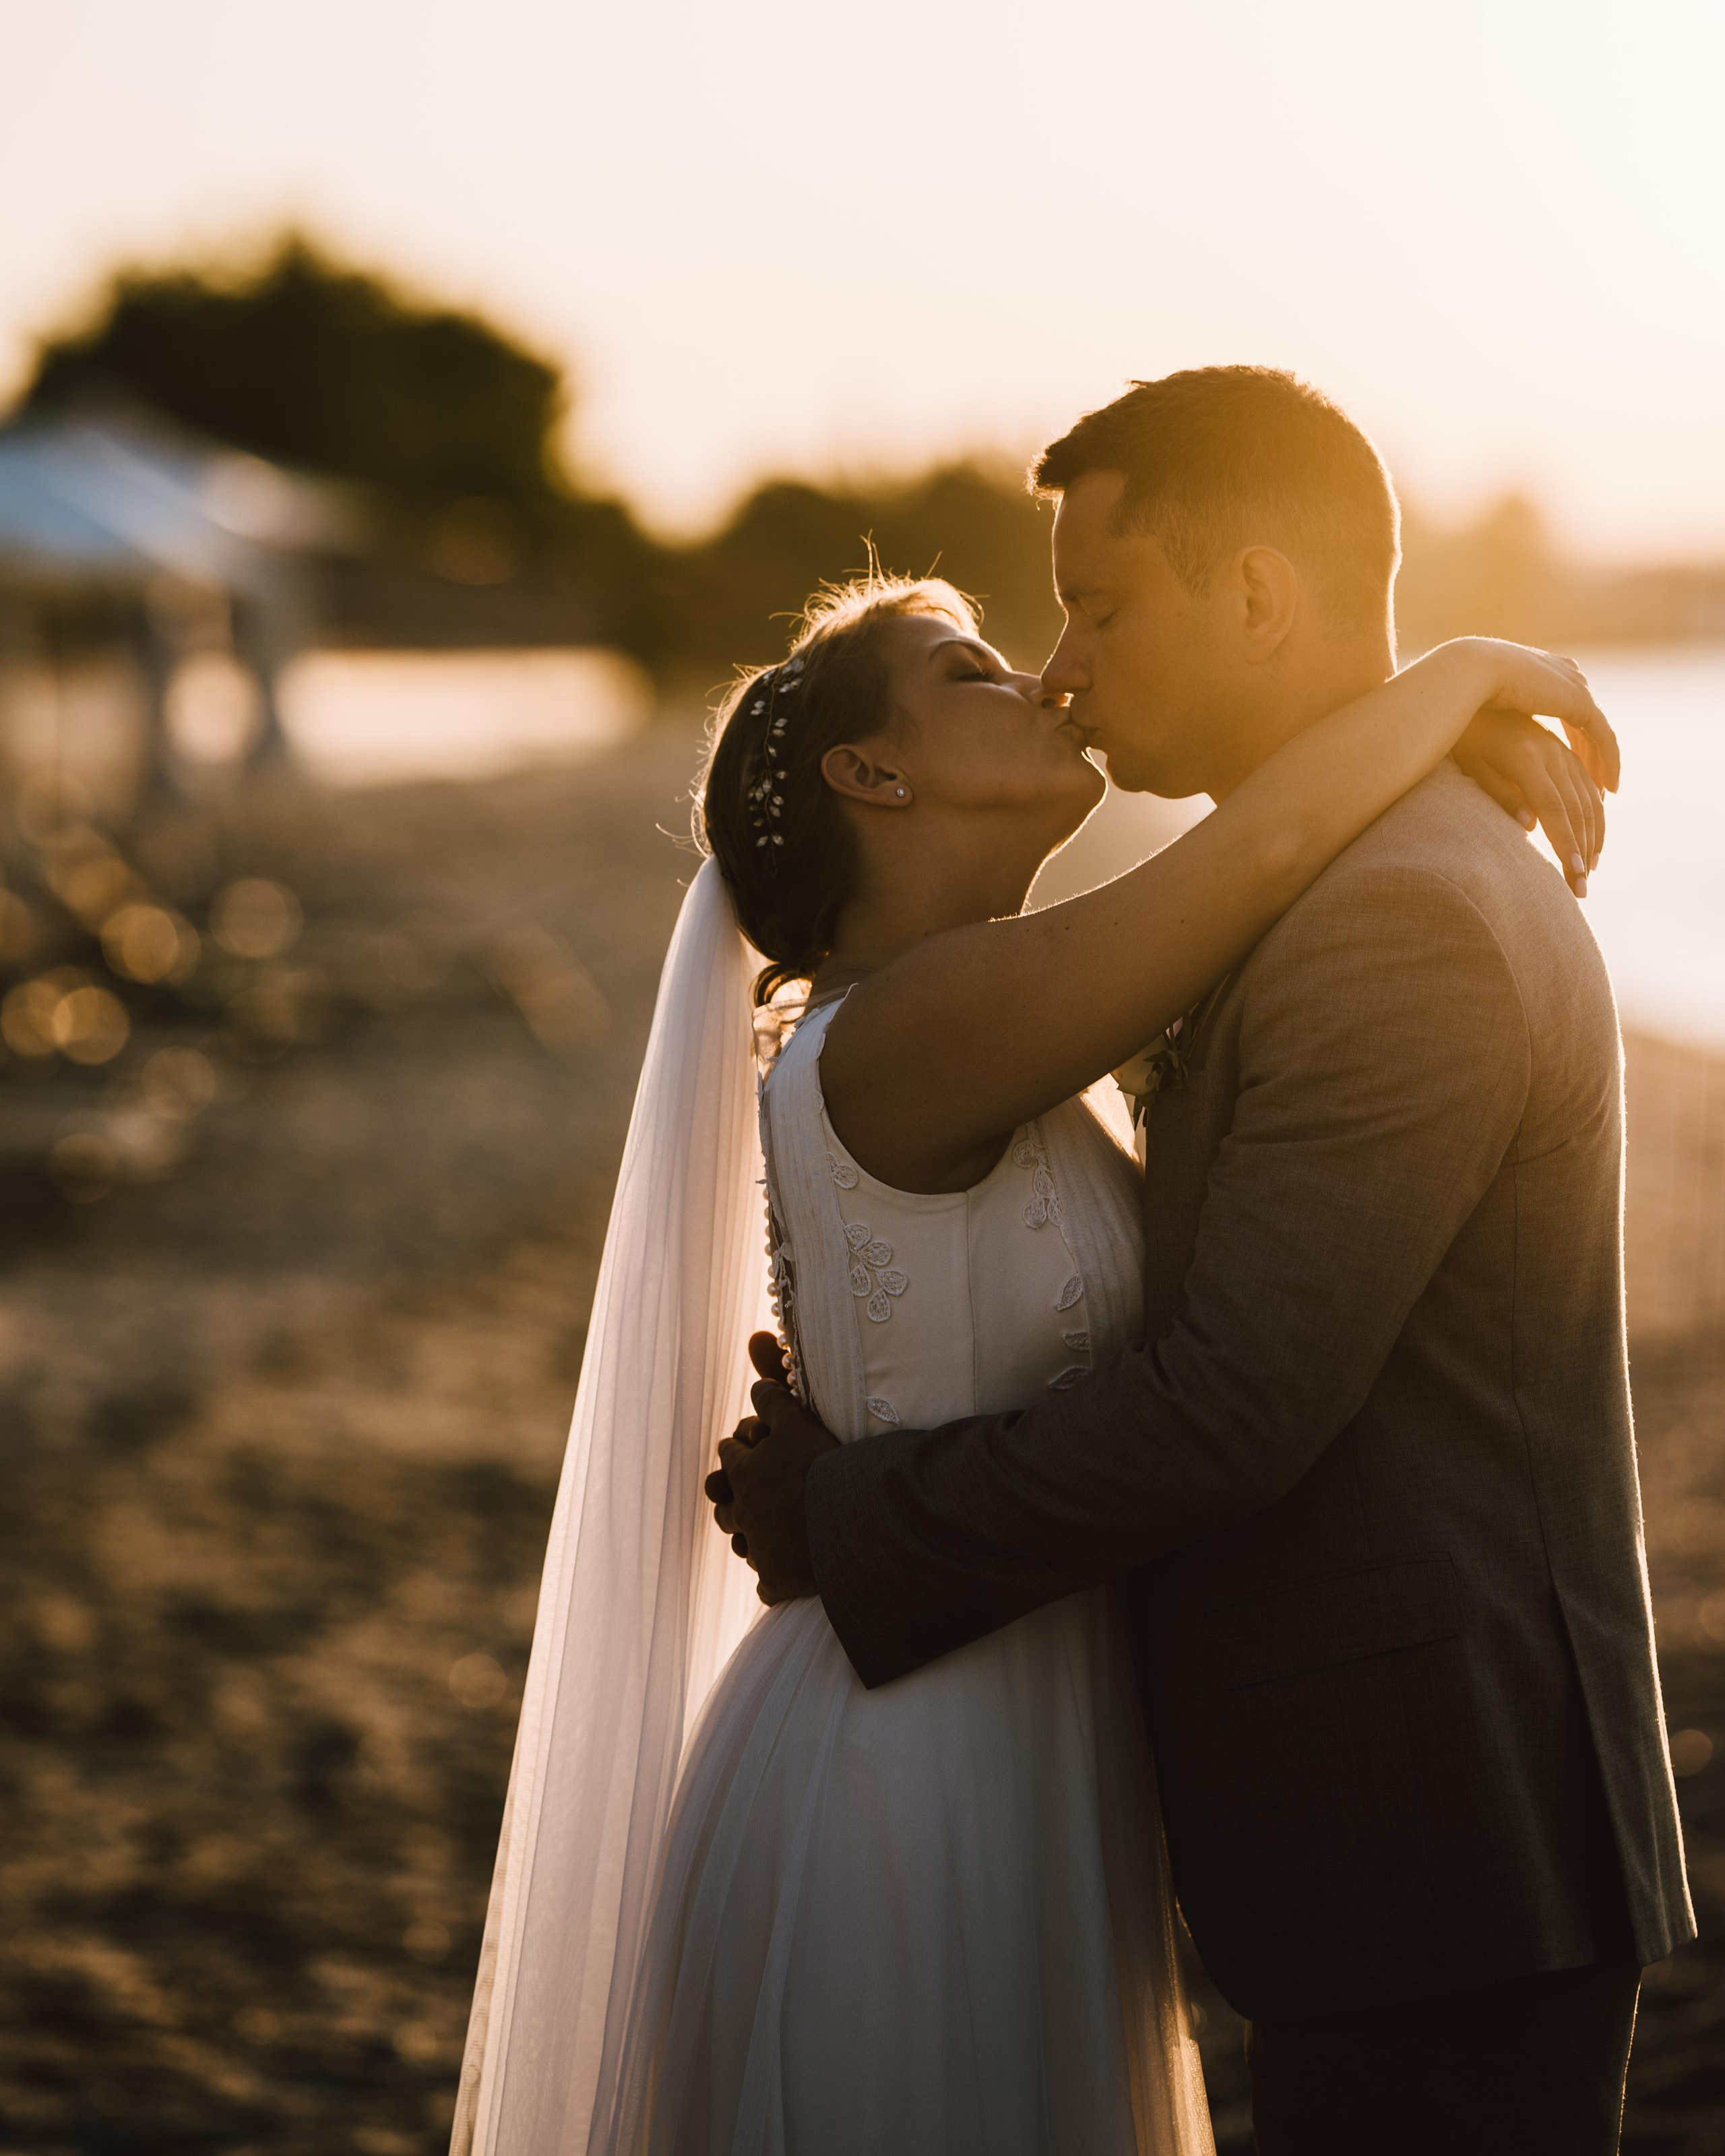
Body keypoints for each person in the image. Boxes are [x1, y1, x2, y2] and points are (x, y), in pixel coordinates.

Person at [451, 365, 1636, 2156]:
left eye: (1095, 609)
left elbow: (1229, 1391)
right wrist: (1457, 682)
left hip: (1402, 1801)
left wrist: (855, 1505)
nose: (1060, 670)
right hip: (945, 1757)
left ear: (1255, 594)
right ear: (873, 776)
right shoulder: (972, 1011)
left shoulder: (1363, 917)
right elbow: (1267, 846)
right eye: (1001, 656)